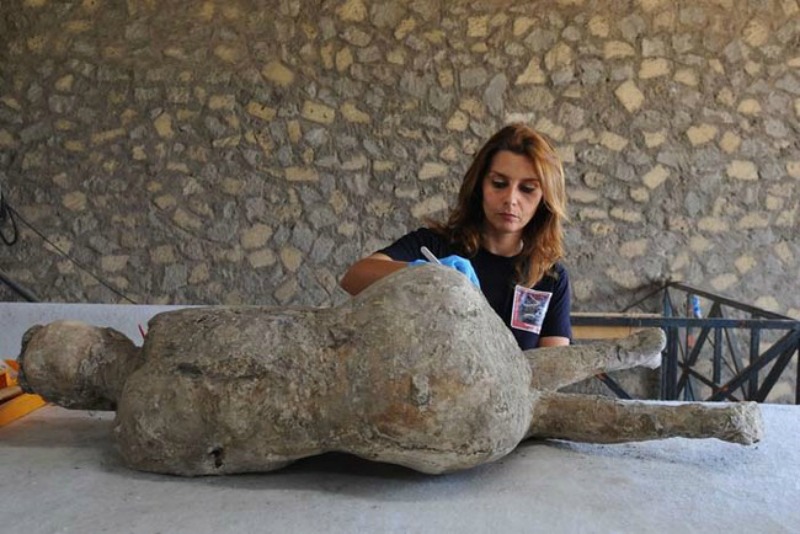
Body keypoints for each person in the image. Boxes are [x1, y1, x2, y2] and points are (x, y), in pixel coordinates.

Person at [340, 123, 571, 350]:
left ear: (545, 199)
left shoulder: (549, 277)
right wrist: (425, 273)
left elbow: (554, 367)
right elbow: (353, 278)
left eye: (527, 189)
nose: (510, 199)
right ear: (479, 185)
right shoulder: (433, 246)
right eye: (499, 184)